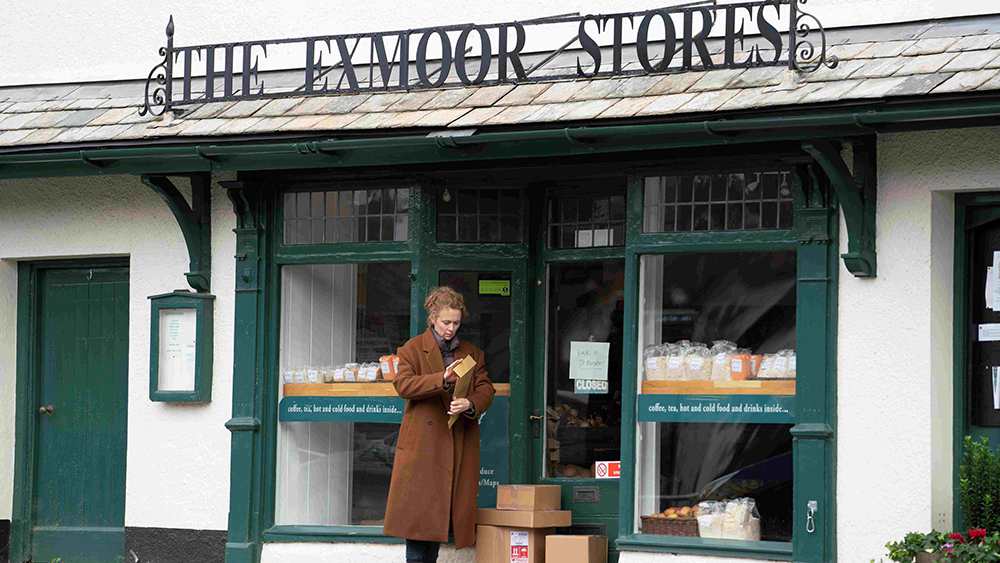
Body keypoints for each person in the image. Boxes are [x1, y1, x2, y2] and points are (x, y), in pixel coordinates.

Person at [383, 286, 496, 562]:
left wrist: (469, 404)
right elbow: (403, 385)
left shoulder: (471, 352)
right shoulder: (411, 349)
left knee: (436, 525)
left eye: (456, 323)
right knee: (418, 526)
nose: (451, 328)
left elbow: (486, 389)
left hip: (458, 444)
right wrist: (441, 379)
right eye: (446, 322)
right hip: (423, 447)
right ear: (433, 318)